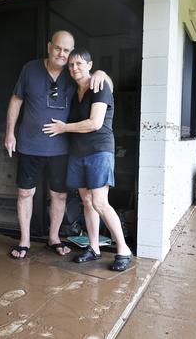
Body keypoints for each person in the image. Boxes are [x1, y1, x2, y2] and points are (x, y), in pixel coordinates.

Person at [4, 31, 110, 259]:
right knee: (25, 193)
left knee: (59, 196)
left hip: (62, 148)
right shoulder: (30, 69)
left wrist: (100, 72)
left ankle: (53, 238)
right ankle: (24, 241)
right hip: (29, 144)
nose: (62, 54)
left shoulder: (73, 73)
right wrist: (10, 134)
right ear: (49, 46)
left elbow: (102, 84)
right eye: (58, 48)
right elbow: (16, 100)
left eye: (67, 50)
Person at [42, 48, 133, 271]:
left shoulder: (99, 85)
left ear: (90, 65)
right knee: (86, 201)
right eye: (71, 65)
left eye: (79, 64)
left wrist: (63, 128)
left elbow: (95, 123)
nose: (74, 68)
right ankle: (94, 248)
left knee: (100, 201)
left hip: (99, 150)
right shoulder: (74, 91)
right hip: (78, 152)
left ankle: (123, 249)